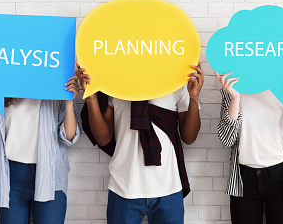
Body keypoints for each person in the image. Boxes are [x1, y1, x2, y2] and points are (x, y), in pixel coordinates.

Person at [77, 62, 203, 224]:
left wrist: (194, 98)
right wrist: (91, 98)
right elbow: (104, 139)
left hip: (168, 188)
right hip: (124, 187)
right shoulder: (113, 81)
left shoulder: (177, 79)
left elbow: (189, 137)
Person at [0, 77, 82, 224]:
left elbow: (69, 137)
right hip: (11, 178)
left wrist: (68, 101)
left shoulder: (56, 86)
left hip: (50, 176)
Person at [216, 69, 283, 224]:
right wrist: (234, 98)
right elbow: (227, 140)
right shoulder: (234, 85)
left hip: (281, 177)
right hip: (243, 179)